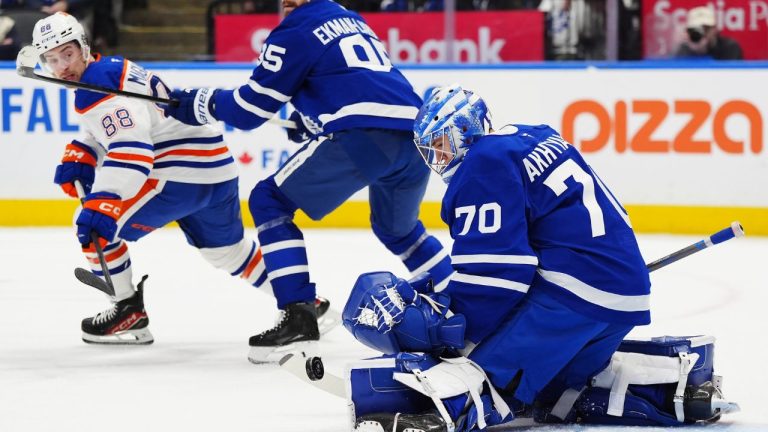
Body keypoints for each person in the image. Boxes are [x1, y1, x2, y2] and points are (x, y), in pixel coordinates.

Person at [341, 85, 738, 431]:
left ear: (465, 130)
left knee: (481, 377)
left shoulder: (482, 164)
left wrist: (452, 334)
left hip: (573, 298)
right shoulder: (535, 135)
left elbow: (498, 277)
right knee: (556, 392)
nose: (437, 157)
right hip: (623, 295)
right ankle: (674, 385)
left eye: (441, 144)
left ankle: (438, 415)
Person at [163, 0, 454, 363]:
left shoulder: (295, 29)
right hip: (414, 137)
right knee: (399, 230)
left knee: (269, 200)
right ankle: (459, 301)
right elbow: (357, 83)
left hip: (364, 134)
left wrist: (197, 103)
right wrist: (316, 119)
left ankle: (298, 316)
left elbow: (248, 110)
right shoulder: (350, 18)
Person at [31, 12, 331, 346]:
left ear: (84, 47)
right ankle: (303, 304)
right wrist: (85, 150)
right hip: (216, 168)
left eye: (67, 54)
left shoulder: (94, 85)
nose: (62, 67)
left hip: (176, 174)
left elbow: (133, 146)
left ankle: (127, 310)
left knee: (95, 228)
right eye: (52, 59)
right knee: (230, 253)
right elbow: (127, 124)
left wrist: (108, 196)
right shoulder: (109, 69)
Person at [674, 6, 742, 60]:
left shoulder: (729, 47)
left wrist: (705, 51)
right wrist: (695, 51)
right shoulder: (683, 50)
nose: (701, 32)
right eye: (695, 29)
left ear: (714, 29)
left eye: (705, 28)